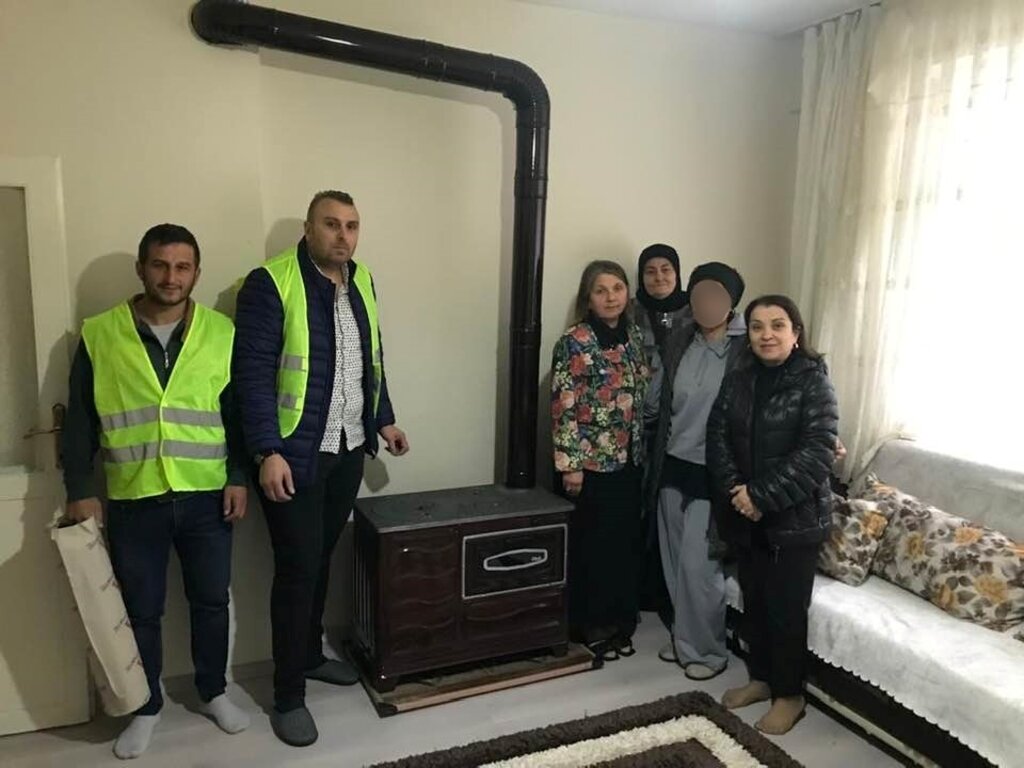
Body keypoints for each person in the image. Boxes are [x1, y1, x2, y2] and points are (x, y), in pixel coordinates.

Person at [62, 224, 250, 760]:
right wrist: (80, 488)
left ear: (196, 272)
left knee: (211, 601)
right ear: (141, 269)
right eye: (161, 265)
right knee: (141, 610)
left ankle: (213, 691)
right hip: (133, 495)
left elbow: (236, 414)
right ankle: (145, 707)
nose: (171, 277)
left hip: (206, 494)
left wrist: (238, 475)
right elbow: (80, 421)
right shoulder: (100, 333)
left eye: (182, 267)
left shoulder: (222, 332)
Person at [233, 190, 409, 747]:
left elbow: (370, 358)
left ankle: (309, 656)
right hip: (295, 454)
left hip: (349, 447)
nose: (343, 235)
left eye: (352, 226)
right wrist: (266, 451)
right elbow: (250, 375)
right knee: (297, 570)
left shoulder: (362, 280)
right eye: (331, 224)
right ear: (309, 229)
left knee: (322, 558)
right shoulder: (271, 282)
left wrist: (383, 418)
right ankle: (287, 696)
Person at [706, 294, 839, 735]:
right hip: (745, 515)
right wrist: (737, 492)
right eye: (757, 326)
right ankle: (761, 679)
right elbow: (717, 437)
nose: (767, 334)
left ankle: (790, 695)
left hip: (793, 522)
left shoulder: (814, 382)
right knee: (756, 603)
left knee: (785, 612)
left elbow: (817, 452)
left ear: (795, 333)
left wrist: (760, 496)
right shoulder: (738, 379)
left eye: (777, 325)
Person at [643, 262, 747, 680]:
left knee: (698, 567)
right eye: (700, 294)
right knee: (672, 563)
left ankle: (708, 653)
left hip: (715, 473)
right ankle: (684, 639)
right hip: (672, 463)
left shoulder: (745, 348)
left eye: (716, 295)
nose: (707, 303)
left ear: (732, 301)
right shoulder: (681, 339)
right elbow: (660, 400)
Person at [551, 260, 650, 660]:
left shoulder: (634, 336)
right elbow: (562, 403)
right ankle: (589, 626)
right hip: (590, 465)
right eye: (601, 290)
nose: (611, 297)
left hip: (630, 460)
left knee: (622, 546)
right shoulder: (574, 341)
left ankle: (618, 622)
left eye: (617, 288)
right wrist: (570, 464)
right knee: (592, 548)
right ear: (588, 299)